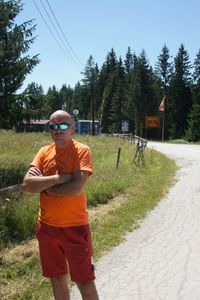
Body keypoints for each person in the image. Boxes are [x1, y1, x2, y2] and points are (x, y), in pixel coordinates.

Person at [23, 110, 99, 300]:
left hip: (75, 227)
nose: (58, 130)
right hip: (47, 228)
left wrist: (45, 187)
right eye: (53, 126)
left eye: (63, 125)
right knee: (57, 280)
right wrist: (58, 178)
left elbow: (75, 188)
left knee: (85, 282)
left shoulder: (81, 151)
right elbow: (27, 184)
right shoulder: (43, 152)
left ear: (72, 128)